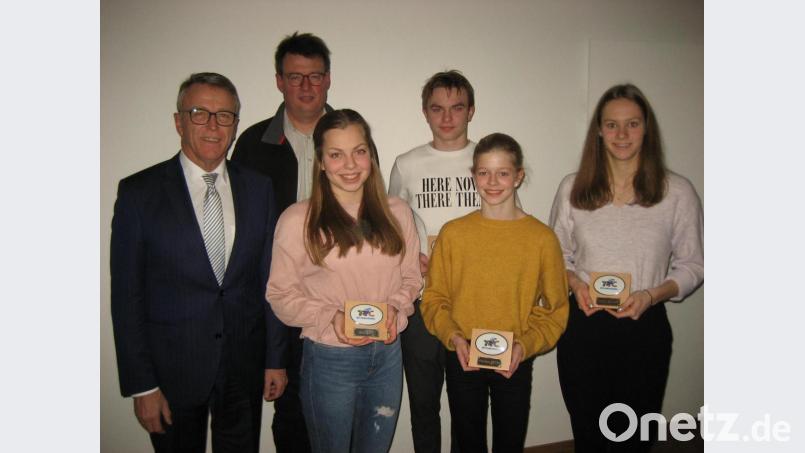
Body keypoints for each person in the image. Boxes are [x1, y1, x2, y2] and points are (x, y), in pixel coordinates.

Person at [110, 72, 288, 453]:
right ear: (178, 121)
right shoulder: (139, 193)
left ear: (235, 125)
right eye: (199, 113)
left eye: (224, 115)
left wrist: (276, 358)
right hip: (171, 373)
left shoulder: (259, 189)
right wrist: (142, 385)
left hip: (244, 366)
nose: (213, 125)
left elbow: (269, 279)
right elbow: (126, 297)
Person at [549, 83, 704, 452]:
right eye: (612, 124)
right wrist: (573, 282)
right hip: (583, 327)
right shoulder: (573, 188)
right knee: (588, 434)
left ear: (646, 128)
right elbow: (555, 256)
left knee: (633, 438)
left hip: (643, 328)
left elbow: (694, 264)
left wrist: (652, 295)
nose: (622, 134)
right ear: (599, 131)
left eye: (632, 124)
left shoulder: (677, 191)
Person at [266, 109, 422, 453]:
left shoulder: (398, 212)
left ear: (371, 155)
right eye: (336, 154)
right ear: (321, 162)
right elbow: (279, 294)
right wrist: (330, 317)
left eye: (359, 151)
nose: (350, 164)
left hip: (387, 356)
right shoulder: (297, 220)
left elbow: (411, 277)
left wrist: (397, 308)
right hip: (329, 359)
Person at [421, 133, 569, 453]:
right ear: (473, 175)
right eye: (483, 172)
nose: (492, 182)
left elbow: (556, 309)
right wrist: (453, 338)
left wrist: (526, 345)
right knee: (468, 441)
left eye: (502, 173)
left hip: (515, 357)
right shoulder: (454, 234)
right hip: (462, 355)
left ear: (518, 176)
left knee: (509, 441)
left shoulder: (541, 239)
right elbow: (434, 299)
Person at [231, 31, 332, 451]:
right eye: (295, 77)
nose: (306, 87)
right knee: (288, 405)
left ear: (328, 79)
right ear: (278, 81)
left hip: (337, 293)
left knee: (334, 401)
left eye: (315, 76)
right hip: (278, 296)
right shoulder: (252, 144)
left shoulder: (351, 136)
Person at [388, 70, 479, 453]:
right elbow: (391, 231)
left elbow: (509, 227)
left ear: (470, 111)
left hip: (475, 303)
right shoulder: (407, 164)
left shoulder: (487, 158)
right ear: (425, 112)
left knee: (468, 408)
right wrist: (412, 258)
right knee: (424, 405)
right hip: (423, 303)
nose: (447, 118)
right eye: (437, 108)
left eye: (456, 108)